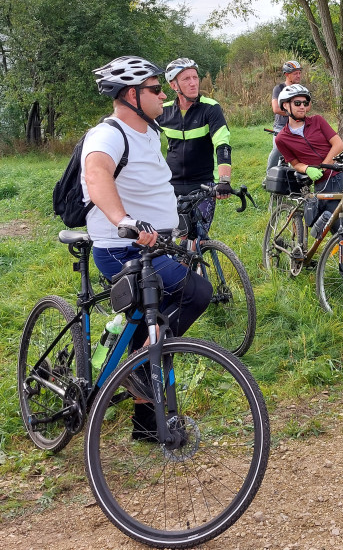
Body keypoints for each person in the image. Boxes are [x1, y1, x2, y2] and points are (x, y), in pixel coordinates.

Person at [82, 57, 213, 423]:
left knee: (152, 328)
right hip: (121, 246)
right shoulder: (108, 134)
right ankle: (139, 370)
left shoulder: (151, 131)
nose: (162, 96)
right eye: (155, 90)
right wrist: (123, 220)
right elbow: (97, 175)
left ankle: (147, 423)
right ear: (130, 95)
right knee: (196, 293)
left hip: (153, 244)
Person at [156, 57, 232, 238]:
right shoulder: (163, 111)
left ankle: (196, 263)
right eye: (186, 79)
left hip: (203, 184)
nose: (193, 83)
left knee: (197, 238)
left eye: (195, 77)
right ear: (174, 85)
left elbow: (222, 145)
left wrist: (224, 180)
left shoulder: (210, 108)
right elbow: (143, 142)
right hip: (170, 184)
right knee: (169, 240)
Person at [273, 83, 343, 230]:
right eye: (297, 103)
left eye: (305, 103)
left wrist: (323, 166)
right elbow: (295, 163)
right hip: (324, 181)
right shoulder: (281, 138)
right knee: (338, 228)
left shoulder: (317, 121)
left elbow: (339, 145)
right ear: (285, 105)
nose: (302, 106)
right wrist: (307, 168)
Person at [268, 60, 303, 169]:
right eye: (295, 73)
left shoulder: (301, 89)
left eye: (299, 73)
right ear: (287, 75)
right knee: (278, 151)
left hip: (297, 126)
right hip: (281, 126)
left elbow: (307, 106)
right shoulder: (279, 89)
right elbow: (276, 108)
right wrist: (294, 113)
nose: (298, 76)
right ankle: (270, 175)